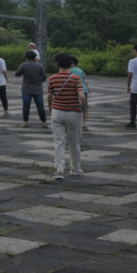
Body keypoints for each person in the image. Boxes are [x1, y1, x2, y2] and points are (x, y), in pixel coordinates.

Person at [47, 52, 86, 180]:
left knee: (59, 141)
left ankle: (59, 170)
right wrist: (85, 108)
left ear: (57, 64)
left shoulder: (52, 78)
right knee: (74, 142)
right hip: (73, 112)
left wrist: (50, 108)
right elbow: (81, 96)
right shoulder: (75, 78)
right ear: (70, 64)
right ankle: (75, 169)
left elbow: (49, 96)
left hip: (57, 111)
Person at [15, 50, 47, 128]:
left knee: (26, 106)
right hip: (38, 89)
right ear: (35, 57)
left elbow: (17, 74)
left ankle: (25, 122)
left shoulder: (23, 65)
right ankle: (44, 122)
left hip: (26, 88)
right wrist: (41, 81)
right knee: (40, 106)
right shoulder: (39, 66)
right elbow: (44, 76)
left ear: (26, 57)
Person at [70, 56, 91, 131]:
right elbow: (84, 80)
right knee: (83, 106)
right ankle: (83, 122)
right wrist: (88, 89)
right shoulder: (81, 70)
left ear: (72, 63)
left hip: (73, 89)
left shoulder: (69, 70)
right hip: (83, 89)